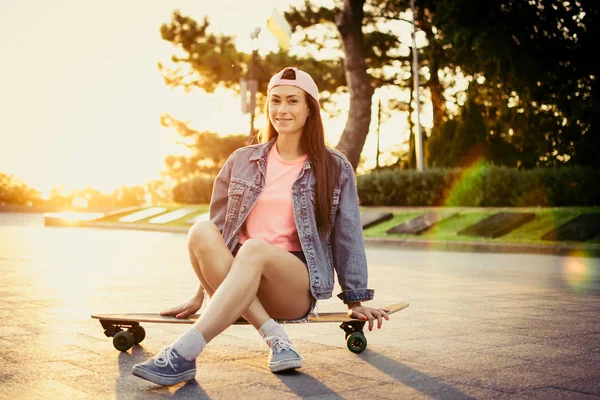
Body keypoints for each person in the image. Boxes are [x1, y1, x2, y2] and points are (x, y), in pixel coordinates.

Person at [132, 67, 389, 386]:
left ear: (310, 109)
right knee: (200, 230)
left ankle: (184, 352)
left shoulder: (334, 167)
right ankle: (274, 336)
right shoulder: (242, 160)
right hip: (238, 279)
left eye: (293, 101)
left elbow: (347, 237)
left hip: (292, 283)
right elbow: (220, 230)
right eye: (275, 100)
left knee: (253, 249)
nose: (282, 109)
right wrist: (199, 293)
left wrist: (356, 300)